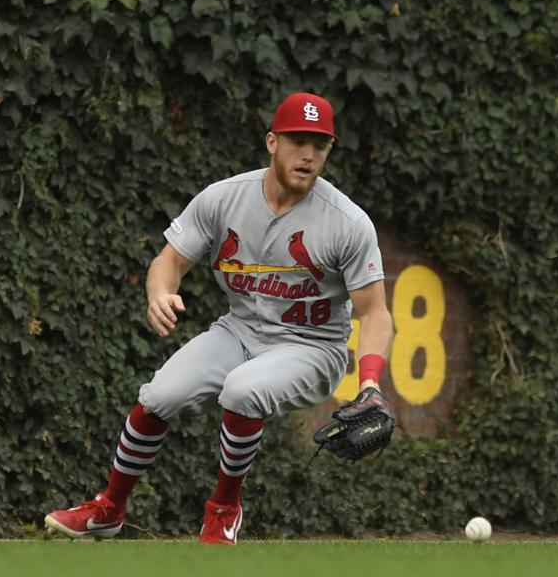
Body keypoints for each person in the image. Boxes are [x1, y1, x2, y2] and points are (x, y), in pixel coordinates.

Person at [44, 92, 394, 544]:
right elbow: (168, 261)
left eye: (320, 145)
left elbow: (375, 313)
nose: (307, 154)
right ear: (272, 142)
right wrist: (160, 292)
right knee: (160, 396)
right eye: (296, 141)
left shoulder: (347, 222)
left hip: (312, 345)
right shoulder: (223, 199)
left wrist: (369, 383)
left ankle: (224, 508)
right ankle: (109, 509)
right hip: (241, 330)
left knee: (242, 390)